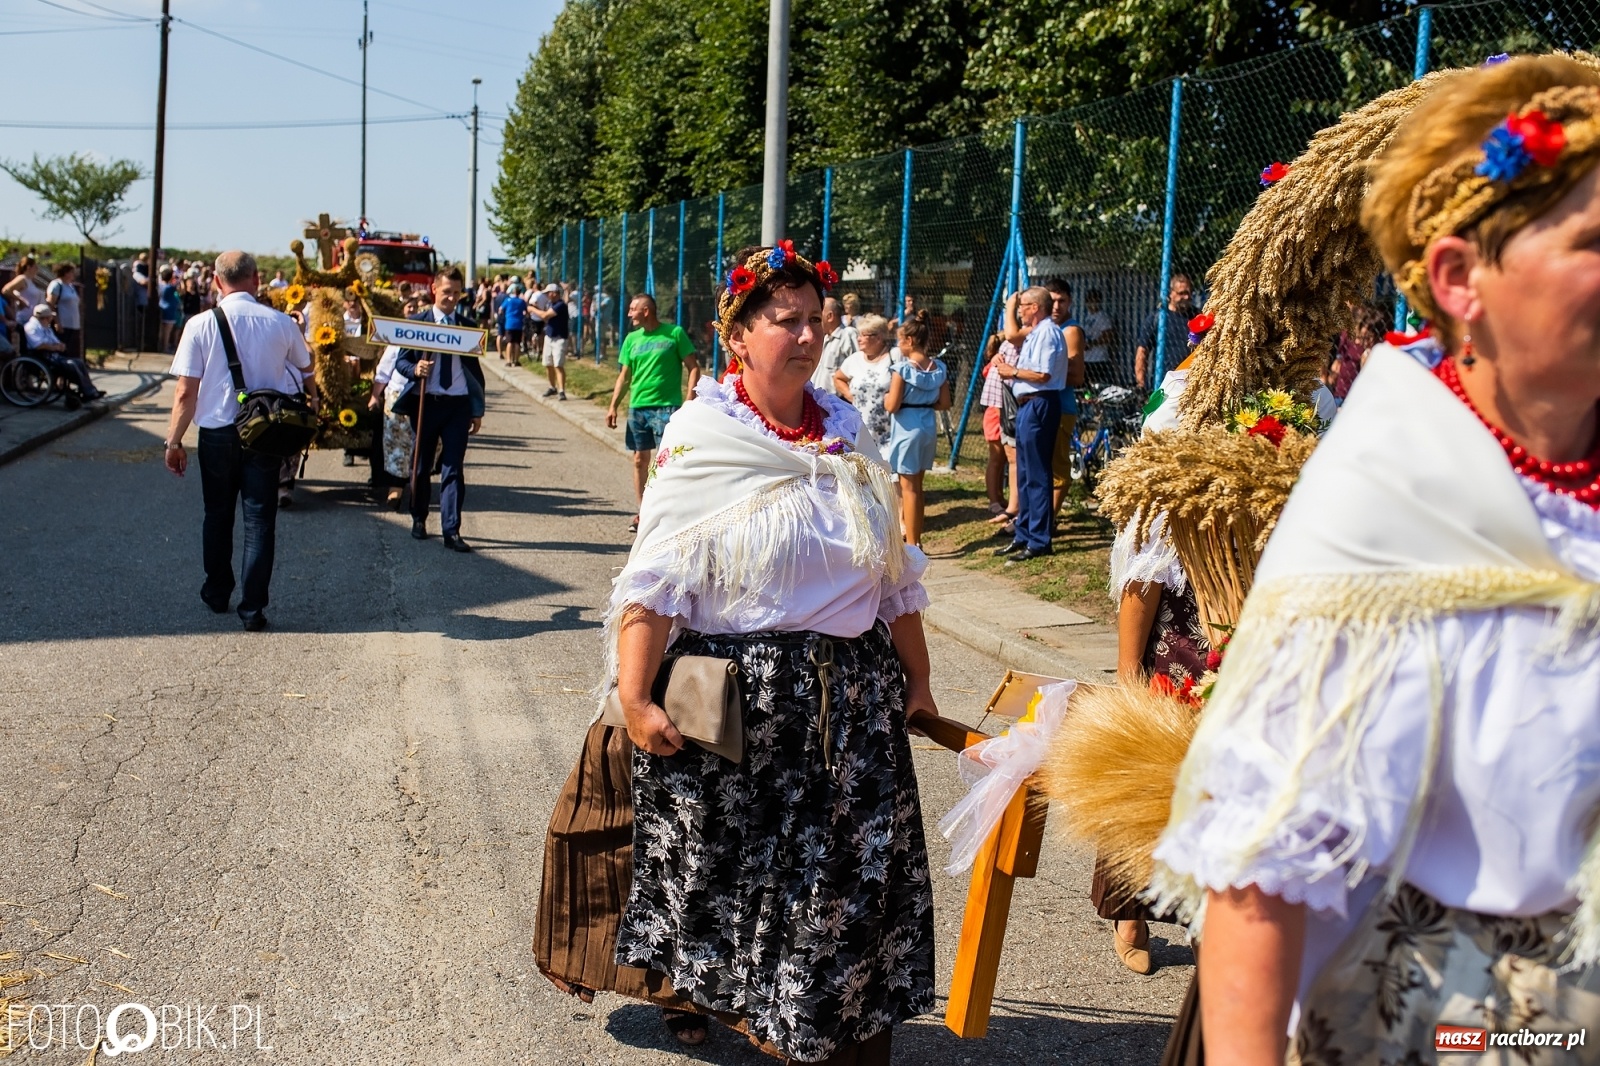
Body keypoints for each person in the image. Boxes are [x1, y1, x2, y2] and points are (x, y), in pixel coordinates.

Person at [1150, 55, 1600, 1063]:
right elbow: (1263, 870)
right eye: (1593, 242)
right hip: (1453, 1014)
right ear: (1458, 279)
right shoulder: (1392, 503)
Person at [536, 242, 936, 1061]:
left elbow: (894, 574)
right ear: (738, 337)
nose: (804, 335)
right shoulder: (704, 436)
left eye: (814, 321)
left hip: (854, 706)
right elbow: (655, 581)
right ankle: (787, 1027)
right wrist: (637, 697)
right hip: (746, 709)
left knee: (849, 890)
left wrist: (919, 682)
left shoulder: (846, 430)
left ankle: (839, 1033)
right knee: (761, 894)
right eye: (783, 321)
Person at [160, 251, 314, 632]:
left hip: (216, 433)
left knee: (217, 515)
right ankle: (252, 607)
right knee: (260, 520)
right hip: (264, 431)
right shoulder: (280, 323)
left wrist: (174, 441)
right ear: (257, 279)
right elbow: (307, 366)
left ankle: (217, 591)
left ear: (216, 281)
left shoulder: (198, 325)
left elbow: (184, 393)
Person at [390, 267, 485, 553]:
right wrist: (415, 368)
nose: (452, 298)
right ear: (434, 290)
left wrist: (477, 409)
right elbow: (401, 362)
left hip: (457, 405)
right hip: (426, 402)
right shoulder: (418, 323)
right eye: (447, 292)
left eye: (456, 293)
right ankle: (419, 518)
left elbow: (475, 371)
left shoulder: (468, 327)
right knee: (420, 464)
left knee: (453, 467)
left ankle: (451, 530)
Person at [605, 294, 700, 533]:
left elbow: (694, 367)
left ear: (646, 311)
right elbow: (625, 376)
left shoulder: (674, 333)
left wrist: (689, 399)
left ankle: (668, 512)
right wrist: (613, 405)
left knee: (667, 461)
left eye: (633, 309)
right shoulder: (631, 339)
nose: (629, 314)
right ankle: (644, 512)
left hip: (666, 407)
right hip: (638, 407)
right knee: (639, 460)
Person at [993, 287, 1064, 562]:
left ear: (1035, 307)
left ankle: (1039, 539)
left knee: (1036, 473)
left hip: (1040, 403)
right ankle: (1023, 534)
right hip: (1027, 404)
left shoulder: (1047, 332)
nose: (1020, 310)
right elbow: (1027, 374)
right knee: (1023, 473)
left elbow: (1043, 374)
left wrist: (1013, 371)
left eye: (1022, 305)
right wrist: (1007, 368)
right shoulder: (1035, 333)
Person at [883, 310, 950, 548]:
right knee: (918, 487)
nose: (898, 346)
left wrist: (886, 398)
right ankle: (917, 537)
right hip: (928, 426)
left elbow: (892, 405)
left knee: (907, 488)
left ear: (910, 341)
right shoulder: (939, 368)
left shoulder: (902, 370)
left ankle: (912, 543)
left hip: (906, 429)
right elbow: (945, 403)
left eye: (899, 341)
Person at [1041, 279, 1087, 517]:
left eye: (1062, 301)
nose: (1057, 306)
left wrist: (1040, 374)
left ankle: (1049, 521)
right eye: (1052, 300)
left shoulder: (1070, 330)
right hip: (1043, 406)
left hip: (1061, 408)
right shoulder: (1045, 327)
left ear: (1070, 302)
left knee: (1058, 467)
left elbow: (1077, 375)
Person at [832, 313, 897, 449]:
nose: (858, 339)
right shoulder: (854, 359)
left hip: (888, 432)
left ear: (878, 337)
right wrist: (850, 396)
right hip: (860, 430)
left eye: (863, 335)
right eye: (858, 335)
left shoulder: (894, 356)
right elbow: (838, 378)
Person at [979, 332, 1020, 522]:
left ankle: (1002, 497)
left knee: (1004, 460)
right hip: (996, 417)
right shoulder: (994, 367)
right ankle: (993, 499)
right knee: (996, 459)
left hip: (1001, 416)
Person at [1134, 274, 1194, 390]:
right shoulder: (1157, 318)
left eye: (1188, 293)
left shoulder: (1196, 317)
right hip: (1164, 384)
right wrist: (1141, 384)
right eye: (1181, 293)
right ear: (1171, 293)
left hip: (1190, 381)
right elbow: (1142, 351)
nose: (1186, 297)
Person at [809, 296, 857, 394]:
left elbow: (857, 370)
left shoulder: (848, 335)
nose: (813, 320)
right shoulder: (825, 338)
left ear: (830, 316)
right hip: (819, 402)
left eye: (817, 316)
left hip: (837, 403)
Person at [531, 282, 570, 399]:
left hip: (559, 338)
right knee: (548, 363)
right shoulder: (551, 304)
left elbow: (545, 316)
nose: (547, 295)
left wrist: (532, 309)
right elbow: (545, 313)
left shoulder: (560, 305)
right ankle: (552, 387)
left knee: (558, 365)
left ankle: (561, 390)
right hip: (549, 336)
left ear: (554, 293)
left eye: (548, 293)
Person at [46, 263, 83, 363]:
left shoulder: (70, 286)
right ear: (65, 273)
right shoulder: (56, 285)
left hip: (73, 324)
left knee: (69, 352)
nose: (73, 274)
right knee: (61, 350)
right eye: (71, 272)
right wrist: (57, 321)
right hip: (63, 324)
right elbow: (51, 303)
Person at [1080, 288, 1116, 386]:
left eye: (1094, 300)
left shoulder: (1102, 317)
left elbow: (1108, 336)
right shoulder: (1088, 317)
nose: (1092, 303)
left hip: (1098, 358)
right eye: (1089, 300)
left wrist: (1092, 344)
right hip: (1087, 358)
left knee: (1096, 384)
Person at [4, 256, 45, 330]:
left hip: (31, 320)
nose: (37, 269)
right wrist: (21, 300)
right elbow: (6, 290)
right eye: (35, 267)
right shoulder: (22, 279)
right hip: (23, 319)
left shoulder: (30, 281)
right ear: (29, 267)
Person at [496, 282, 528, 364]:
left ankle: (508, 360)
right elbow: (526, 311)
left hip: (509, 323)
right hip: (519, 324)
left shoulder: (508, 300)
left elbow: (500, 309)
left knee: (509, 342)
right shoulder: (521, 301)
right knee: (517, 342)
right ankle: (516, 360)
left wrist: (504, 315)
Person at [157, 266, 182, 353]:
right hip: (170, 309)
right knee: (167, 331)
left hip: (162, 306)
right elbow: (179, 287)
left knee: (162, 330)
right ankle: (165, 348)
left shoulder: (160, 285)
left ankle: (162, 346)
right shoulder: (169, 287)